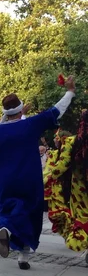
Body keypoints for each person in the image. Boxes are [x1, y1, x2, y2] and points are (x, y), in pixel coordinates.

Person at [0, 76, 76, 270]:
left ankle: (5, 228)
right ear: (21, 109)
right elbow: (56, 110)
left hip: (6, 179)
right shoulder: (31, 124)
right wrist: (70, 91)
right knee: (31, 213)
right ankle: (23, 256)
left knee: (7, 209)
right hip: (29, 178)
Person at [44, 110, 88, 260]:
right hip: (79, 188)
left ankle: (82, 242)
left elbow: (62, 165)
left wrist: (47, 179)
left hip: (80, 189)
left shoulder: (72, 142)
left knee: (83, 216)